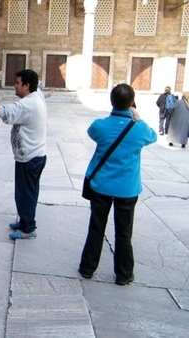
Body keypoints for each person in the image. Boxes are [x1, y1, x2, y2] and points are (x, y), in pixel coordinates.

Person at [78, 84, 157, 286]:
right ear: (132, 103)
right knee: (124, 232)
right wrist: (136, 116)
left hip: (101, 186)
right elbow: (153, 136)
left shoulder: (101, 126)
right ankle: (123, 274)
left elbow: (91, 130)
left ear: (111, 101)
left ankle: (88, 268)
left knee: (96, 228)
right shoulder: (139, 129)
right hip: (127, 189)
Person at [0, 69, 47, 240]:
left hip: (29, 157)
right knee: (29, 191)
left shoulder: (27, 104)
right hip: (35, 155)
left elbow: (5, 112)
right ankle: (25, 221)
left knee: (25, 193)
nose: (14, 86)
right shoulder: (36, 96)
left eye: (17, 83)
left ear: (27, 85)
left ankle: (28, 229)